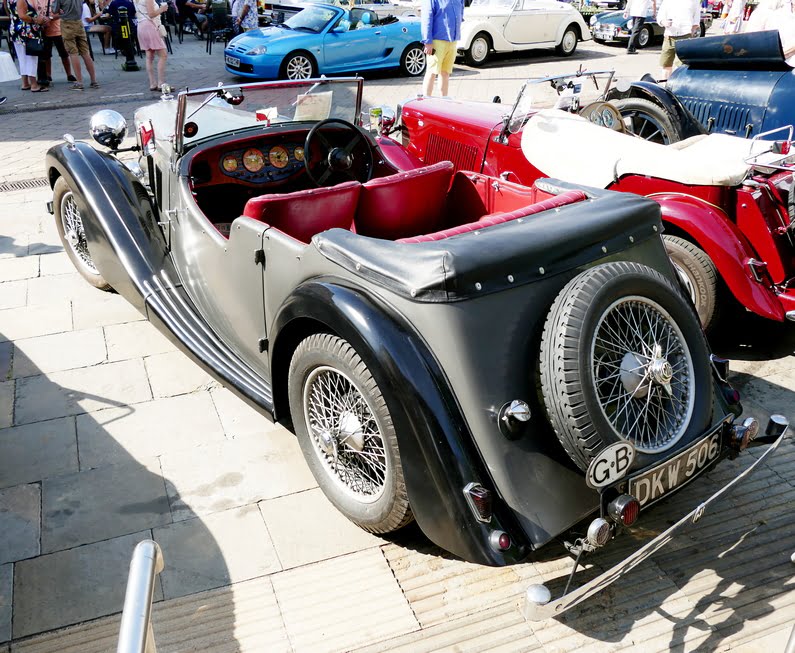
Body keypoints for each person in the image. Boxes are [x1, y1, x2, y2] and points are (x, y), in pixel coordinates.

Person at [28, 0, 77, 86]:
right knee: (46, 55)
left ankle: (69, 74)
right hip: (44, 31)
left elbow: (62, 12)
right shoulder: (34, 1)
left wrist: (50, 18)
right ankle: (48, 75)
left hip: (58, 30)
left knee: (64, 54)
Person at [420, 0, 464, 97]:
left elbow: (461, 13)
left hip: (452, 41)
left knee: (445, 72)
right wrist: (427, 42)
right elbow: (427, 18)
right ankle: (426, 100)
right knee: (431, 72)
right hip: (437, 41)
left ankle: (444, 99)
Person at [5, 0, 47, 91]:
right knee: (31, 58)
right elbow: (22, 16)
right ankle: (34, 84)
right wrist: (36, 20)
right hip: (27, 32)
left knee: (22, 58)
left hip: (16, 30)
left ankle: (25, 83)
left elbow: (8, 11)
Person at [656, 0, 701, 80]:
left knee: (681, 65)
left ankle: (677, 85)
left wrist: (691, 33)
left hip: (685, 36)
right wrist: (664, 22)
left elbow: (696, 20)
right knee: (666, 64)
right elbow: (660, 17)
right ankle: (665, 85)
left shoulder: (694, 1)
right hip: (669, 36)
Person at [59, 0, 98, 89]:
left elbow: (54, 10)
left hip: (67, 23)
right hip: (79, 22)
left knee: (73, 53)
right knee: (85, 52)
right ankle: (93, 80)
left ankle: (79, 82)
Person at [133, 0, 167, 90]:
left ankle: (152, 83)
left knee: (149, 56)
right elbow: (151, 14)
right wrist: (162, 9)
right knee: (163, 55)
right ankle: (161, 83)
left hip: (141, 26)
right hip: (150, 26)